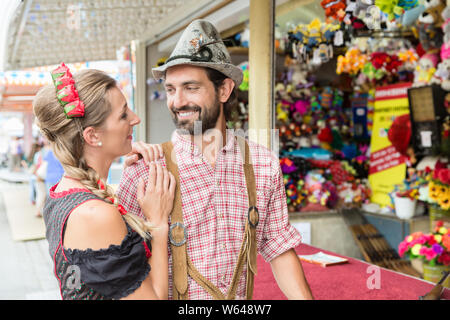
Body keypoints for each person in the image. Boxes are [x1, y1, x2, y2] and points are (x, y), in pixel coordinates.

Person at [118, 19, 313, 300]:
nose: (177, 101)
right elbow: (121, 268)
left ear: (224, 90)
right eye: (171, 89)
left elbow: (279, 246)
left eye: (191, 87)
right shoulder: (145, 170)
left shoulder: (263, 163)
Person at [33, 63, 175, 300]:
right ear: (93, 136)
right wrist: (158, 222)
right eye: (123, 114)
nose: (136, 119)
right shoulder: (95, 214)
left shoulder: (62, 191)